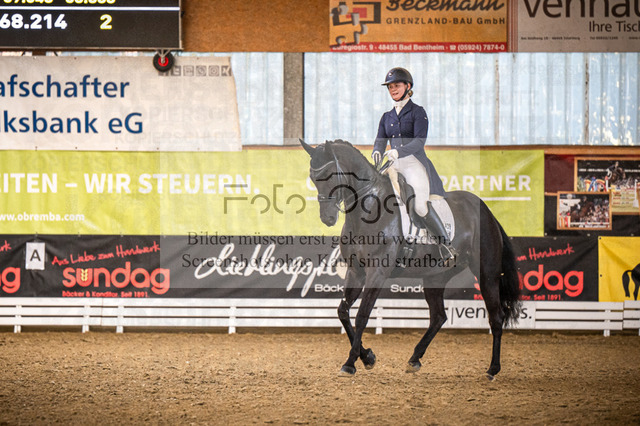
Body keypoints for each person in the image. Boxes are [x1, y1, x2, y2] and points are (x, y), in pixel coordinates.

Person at [372, 67, 456, 259]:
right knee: (378, 199)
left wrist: (398, 151)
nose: (393, 89)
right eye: (390, 87)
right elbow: (380, 140)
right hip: (392, 164)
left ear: (408, 86)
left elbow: (419, 141)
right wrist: (377, 152)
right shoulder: (386, 116)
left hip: (413, 163)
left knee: (419, 206)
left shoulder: (418, 112)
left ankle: (445, 245)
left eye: (397, 85)